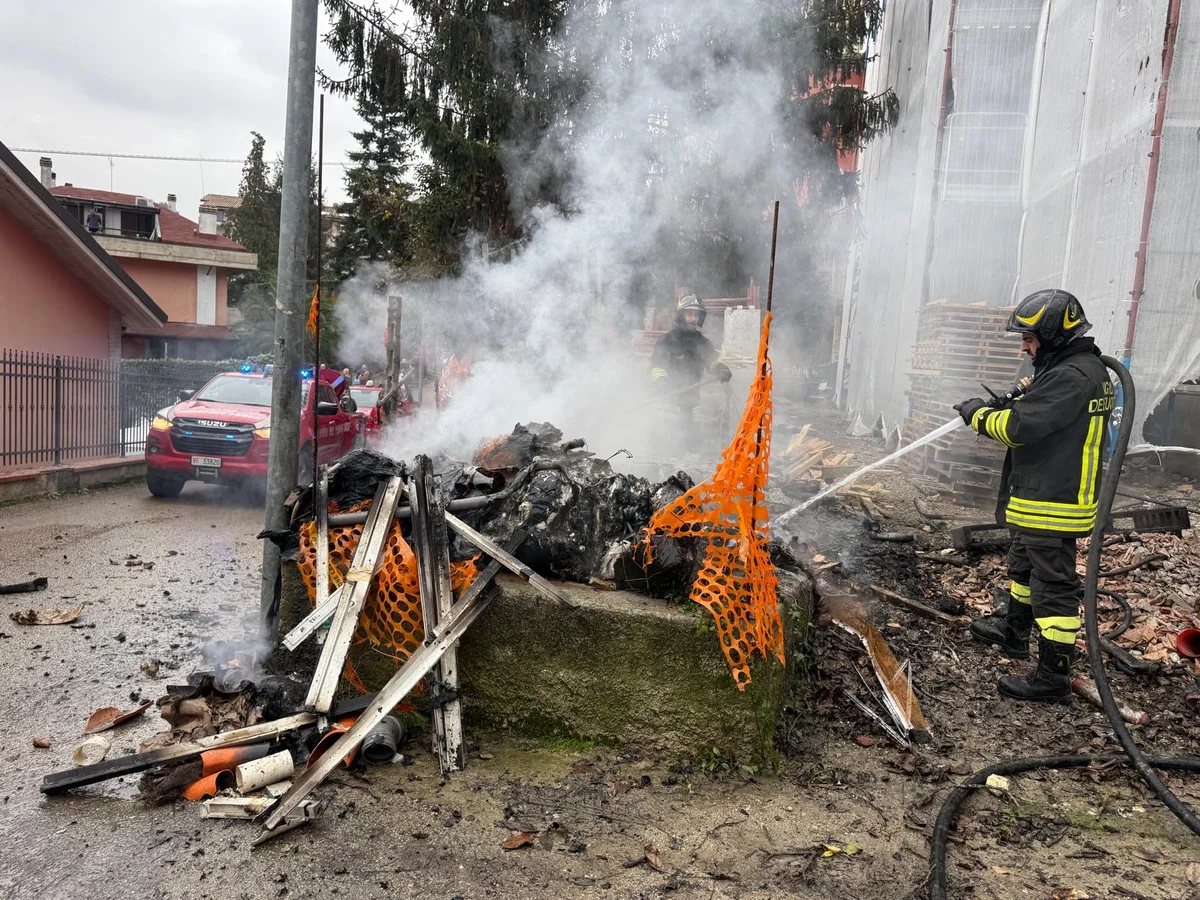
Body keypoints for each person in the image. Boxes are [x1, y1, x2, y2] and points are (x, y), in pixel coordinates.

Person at [954, 289, 1113, 702]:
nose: (1024, 345)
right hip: (1040, 494)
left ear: (1053, 333)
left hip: (1054, 502)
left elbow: (1017, 428)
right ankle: (1014, 634)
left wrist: (978, 414)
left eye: (1029, 337)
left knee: (1052, 587)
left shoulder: (1071, 377)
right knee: (1023, 570)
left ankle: (1052, 677)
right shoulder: (1070, 369)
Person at [649, 295, 732, 428]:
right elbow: (656, 367)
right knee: (665, 442)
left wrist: (721, 369)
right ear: (680, 316)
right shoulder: (666, 341)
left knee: (691, 441)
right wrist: (661, 382)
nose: (693, 319)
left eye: (696, 315)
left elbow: (712, 361)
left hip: (692, 404)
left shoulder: (703, 343)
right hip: (668, 405)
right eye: (689, 314)